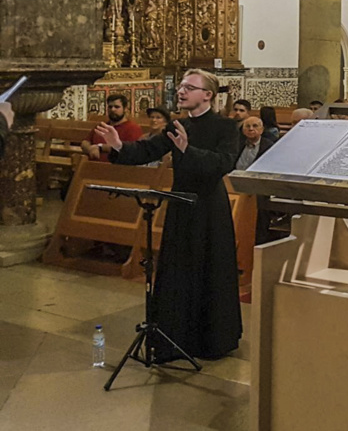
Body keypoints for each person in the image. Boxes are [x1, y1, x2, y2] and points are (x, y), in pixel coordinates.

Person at [96, 68, 241, 361]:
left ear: (208, 95)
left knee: (208, 270)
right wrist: (120, 146)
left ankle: (211, 341)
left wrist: (188, 150)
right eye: (181, 86)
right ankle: (176, 338)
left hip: (210, 208)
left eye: (190, 87)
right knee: (178, 269)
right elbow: (148, 149)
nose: (182, 91)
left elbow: (223, 163)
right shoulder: (177, 125)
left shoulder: (226, 128)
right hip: (180, 204)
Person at [82, 94, 144, 162]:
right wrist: (90, 149)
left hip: (117, 168)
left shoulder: (133, 128)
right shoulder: (102, 126)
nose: (113, 109)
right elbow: (85, 142)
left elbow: (129, 150)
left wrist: (100, 147)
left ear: (125, 109)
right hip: (92, 166)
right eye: (110, 107)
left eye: (117, 107)